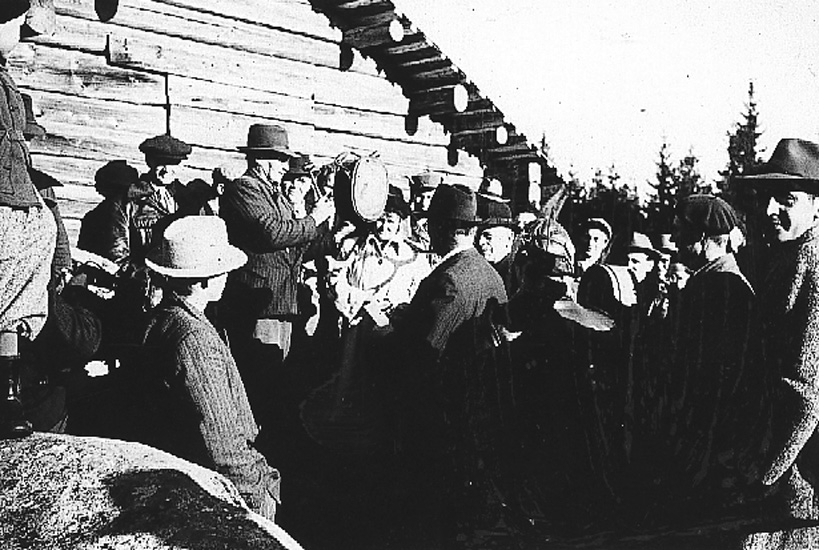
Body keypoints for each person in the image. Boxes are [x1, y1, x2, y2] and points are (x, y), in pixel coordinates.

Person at [386, 183, 513, 546]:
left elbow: (424, 355)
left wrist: (393, 331)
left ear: (441, 227)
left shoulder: (449, 279)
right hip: (478, 414)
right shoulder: (490, 274)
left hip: (442, 416)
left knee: (432, 511)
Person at [140, 215, 281, 522]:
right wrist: (259, 493)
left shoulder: (164, 318)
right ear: (206, 280)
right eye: (224, 271)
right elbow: (223, 449)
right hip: (221, 491)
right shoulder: (196, 340)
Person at [218, 124, 335, 429]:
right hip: (258, 304)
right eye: (281, 160)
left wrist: (333, 237)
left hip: (281, 302)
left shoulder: (275, 195)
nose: (286, 167)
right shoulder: (243, 189)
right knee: (259, 379)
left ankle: (268, 439)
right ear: (261, 159)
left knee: (276, 378)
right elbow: (272, 233)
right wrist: (314, 219)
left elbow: (293, 249)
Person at [658, 194, 759, 520]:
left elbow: (714, 385)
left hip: (711, 453)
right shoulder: (710, 282)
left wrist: (694, 454)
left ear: (700, 236)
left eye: (679, 231)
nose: (674, 240)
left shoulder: (721, 288)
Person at [738, 138, 819, 520]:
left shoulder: (811, 267)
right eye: (767, 198)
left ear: (816, 205)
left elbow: (806, 395)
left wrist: (762, 476)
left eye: (786, 199)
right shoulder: (787, 256)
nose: (770, 209)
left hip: (792, 485)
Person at [0, 9, 58, 438]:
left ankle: (7, 393)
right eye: (11, 22)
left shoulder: (4, 78)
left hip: (15, 198)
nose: (20, 33)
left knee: (13, 309)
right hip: (4, 201)